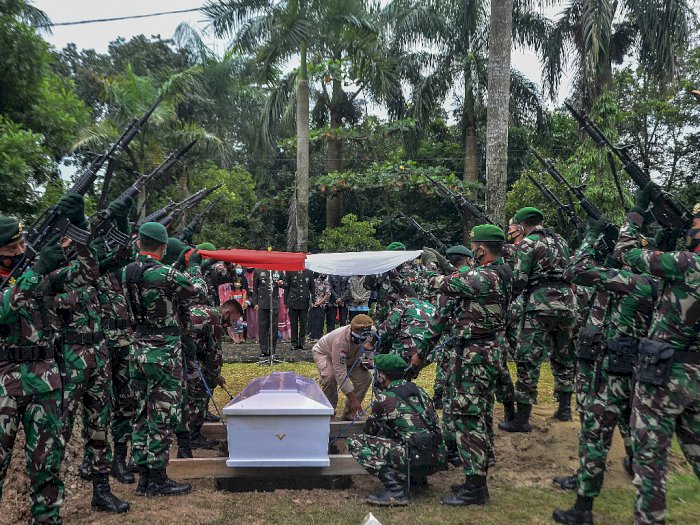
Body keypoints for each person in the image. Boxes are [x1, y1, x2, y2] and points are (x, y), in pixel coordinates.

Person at [0, 195, 99, 523]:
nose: (21, 249)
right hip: (4, 378)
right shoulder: (29, 273)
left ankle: (46, 519)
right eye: (14, 245)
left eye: (22, 242)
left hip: (44, 374)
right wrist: (36, 271)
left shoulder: (35, 270)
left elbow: (86, 274)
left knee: (47, 461)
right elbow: (4, 309)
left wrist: (81, 230)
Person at [553, 217, 657, 525]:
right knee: (639, 431)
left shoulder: (628, 281)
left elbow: (574, 269)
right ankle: (634, 470)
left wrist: (591, 235)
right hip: (642, 365)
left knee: (595, 433)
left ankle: (583, 507)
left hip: (613, 370)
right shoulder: (655, 282)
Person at [608, 191, 697, 525]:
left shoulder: (688, 264)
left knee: (650, 461)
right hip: (696, 376)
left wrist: (634, 214)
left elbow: (625, 253)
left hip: (665, 376)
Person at [412, 224, 512, 506]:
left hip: (475, 355)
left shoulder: (485, 277)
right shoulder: (502, 272)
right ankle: (475, 477)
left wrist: (431, 263)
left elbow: (438, 283)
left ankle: (476, 487)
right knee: (479, 413)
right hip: (487, 353)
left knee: (469, 418)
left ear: (480, 249)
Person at [123, 222, 207, 497]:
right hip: (163, 351)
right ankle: (158, 479)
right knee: (161, 415)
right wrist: (194, 266)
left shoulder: (128, 272)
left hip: (136, 349)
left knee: (140, 414)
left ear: (139, 243)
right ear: (162, 247)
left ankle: (144, 478)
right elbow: (198, 291)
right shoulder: (164, 273)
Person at [500, 207, 577, 433]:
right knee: (563, 356)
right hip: (567, 304)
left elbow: (521, 278)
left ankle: (522, 418)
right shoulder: (561, 240)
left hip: (540, 305)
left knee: (528, 359)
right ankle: (564, 409)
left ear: (522, 225)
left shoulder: (529, 243)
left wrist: (507, 299)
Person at [347, 354, 444, 506]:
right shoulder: (420, 391)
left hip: (413, 457)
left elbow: (370, 431)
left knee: (356, 441)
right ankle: (418, 479)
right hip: (438, 455)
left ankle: (396, 489)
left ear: (381, 375)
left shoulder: (384, 399)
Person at [311, 314, 376, 421]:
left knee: (365, 378)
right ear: (352, 329)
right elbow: (340, 373)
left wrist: (367, 359)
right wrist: (353, 399)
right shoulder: (340, 341)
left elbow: (371, 344)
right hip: (325, 353)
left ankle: (349, 414)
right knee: (330, 378)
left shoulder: (372, 330)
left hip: (351, 355)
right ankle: (328, 414)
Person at [377, 285, 435, 365]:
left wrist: (372, 342)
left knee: (387, 368)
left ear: (405, 296)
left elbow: (388, 326)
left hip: (407, 348)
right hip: (428, 351)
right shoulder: (431, 307)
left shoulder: (404, 302)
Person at [252, 269, 285, 358]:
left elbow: (286, 284)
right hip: (263, 303)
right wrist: (255, 303)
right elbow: (255, 289)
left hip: (274, 303)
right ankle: (263, 350)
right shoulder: (258, 271)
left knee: (274, 328)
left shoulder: (278, 271)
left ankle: (272, 350)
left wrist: (281, 283)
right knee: (263, 328)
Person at [283, 269, 314, 349]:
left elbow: (312, 287)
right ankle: (294, 343)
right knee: (294, 323)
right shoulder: (290, 271)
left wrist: (312, 300)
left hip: (304, 301)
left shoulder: (309, 272)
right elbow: (287, 287)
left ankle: (302, 342)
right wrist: (286, 302)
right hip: (293, 301)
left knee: (303, 323)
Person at [308, 273, 332, 340]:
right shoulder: (313, 279)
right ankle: (310, 335)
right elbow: (309, 290)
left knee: (319, 320)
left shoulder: (326, 280)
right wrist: (311, 302)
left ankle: (318, 336)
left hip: (321, 303)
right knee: (312, 319)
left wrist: (320, 302)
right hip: (312, 302)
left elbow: (328, 294)